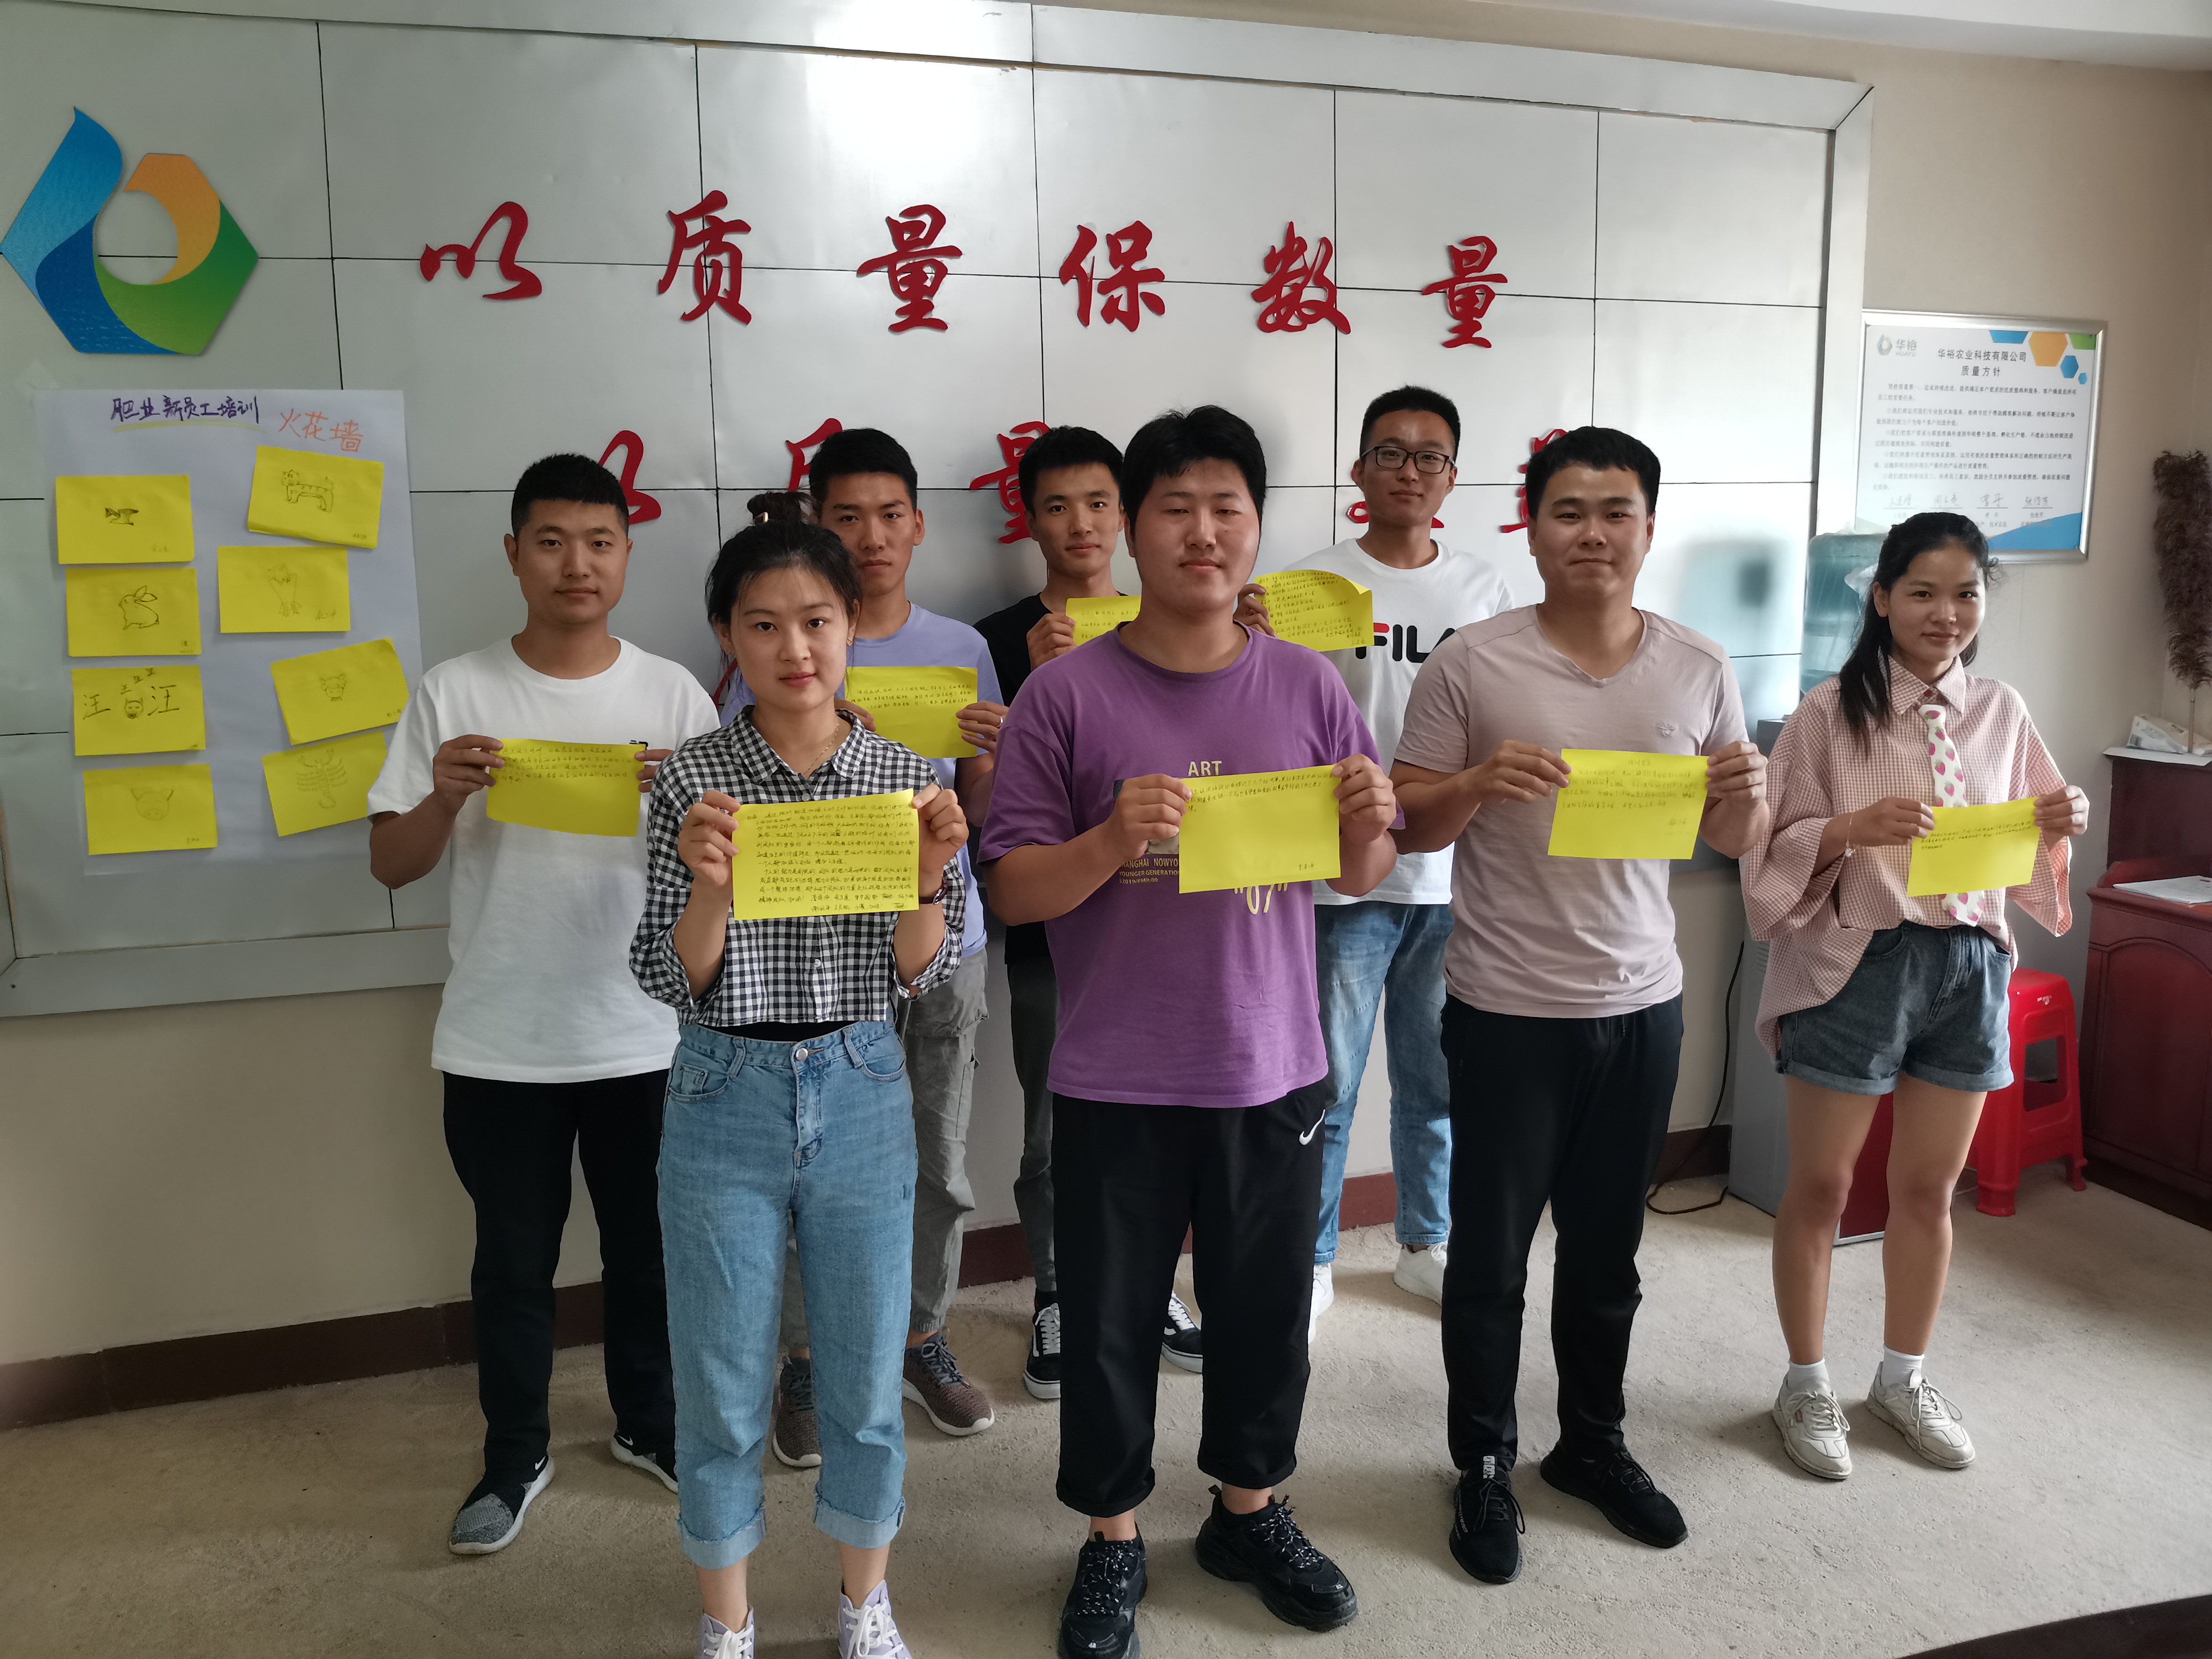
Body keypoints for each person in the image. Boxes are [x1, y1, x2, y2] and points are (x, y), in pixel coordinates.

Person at [983, 406, 1396, 1659]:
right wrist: (1110, 841)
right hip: (1117, 1071)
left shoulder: (1309, 684)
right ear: (1132, 528)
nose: (1202, 532)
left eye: (1227, 507)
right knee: (1111, 1320)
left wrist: (1370, 820)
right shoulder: (1063, 695)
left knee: (1262, 1312)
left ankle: (1246, 1511)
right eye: (1174, 507)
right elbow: (1012, 891)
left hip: (1271, 1063)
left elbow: (1359, 873)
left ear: (1256, 527)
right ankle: (1111, 1534)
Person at [1390, 425, 1768, 1584]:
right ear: (1531, 527)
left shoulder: (1698, 666)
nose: (1592, 533)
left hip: (1642, 1006)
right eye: (1568, 511)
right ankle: (1482, 1462)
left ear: (1648, 528)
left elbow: (1730, 835)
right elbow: (1408, 821)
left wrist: (1745, 795)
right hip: (1504, 1007)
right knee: (1489, 1261)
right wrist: (1473, 782)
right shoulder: (1473, 662)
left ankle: (1590, 1445)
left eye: (1615, 513)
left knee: (1608, 1254)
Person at [365, 453, 719, 1555]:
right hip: (501, 1040)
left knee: (648, 1254)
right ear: (514, 555)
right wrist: (441, 796)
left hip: (643, 1031)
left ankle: (648, 1425)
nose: (578, 563)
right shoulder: (453, 691)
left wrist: (687, 805)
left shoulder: (672, 693)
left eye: (600, 542)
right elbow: (390, 863)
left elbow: (731, 864)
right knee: (512, 1264)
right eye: (553, 542)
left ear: (626, 556)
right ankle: (513, 1452)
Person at [630, 519, 970, 1659]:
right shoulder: (692, 780)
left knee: (865, 1373)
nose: (795, 648)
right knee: (722, 1376)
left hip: (862, 1077)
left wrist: (926, 877)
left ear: (851, 626)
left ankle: (863, 1602)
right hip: (721, 1082)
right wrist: (711, 889)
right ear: (727, 635)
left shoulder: (906, 780)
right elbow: (663, 976)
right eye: (764, 624)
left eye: (817, 621)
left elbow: (924, 974)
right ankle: (725, 1618)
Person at [1740, 512, 2086, 1480]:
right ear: (1883, 598)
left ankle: (1903, 1378)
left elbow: (2034, 830)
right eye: (1923, 592)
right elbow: (1769, 851)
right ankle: (1805, 1382)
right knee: (1821, 1187)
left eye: (1966, 594)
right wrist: (1851, 827)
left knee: (1930, 1190)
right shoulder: (1826, 713)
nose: (1946, 613)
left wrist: (2062, 816)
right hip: (1860, 961)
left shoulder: (2002, 710)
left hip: (1970, 965)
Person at [724, 430, 1004, 1447]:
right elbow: (747, 792)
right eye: (848, 516)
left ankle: (923, 1336)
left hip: (941, 940)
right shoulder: (782, 640)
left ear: (919, 525)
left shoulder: (962, 647)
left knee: (936, 1153)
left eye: (891, 515)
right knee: (808, 1163)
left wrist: (987, 765)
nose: (873, 536)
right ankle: (805, 1363)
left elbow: (978, 820)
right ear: (819, 522)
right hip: (814, 959)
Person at [1267, 385, 1512, 1337]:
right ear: (1359, 470)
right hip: (1347, 877)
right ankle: (1311, 1256)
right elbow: (1277, 718)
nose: (1409, 471)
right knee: (1327, 1083)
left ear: (1452, 477)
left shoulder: (1487, 595)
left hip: (1457, 876)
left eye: (1429, 456)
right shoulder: (1308, 588)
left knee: (1438, 1079)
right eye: (1390, 453)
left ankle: (1425, 1244)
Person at [970, 424, 1203, 1401]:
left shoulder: (1183, 621)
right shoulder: (994, 640)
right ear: (1028, 521)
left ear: (1130, 516)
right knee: (1053, 1121)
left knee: (1169, 1117)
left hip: (1172, 923)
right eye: (1057, 505)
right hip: (1054, 927)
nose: (1081, 524)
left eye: (1100, 503)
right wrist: (1031, 679)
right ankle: (1060, 1290)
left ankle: (1150, 1285)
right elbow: (993, 812)